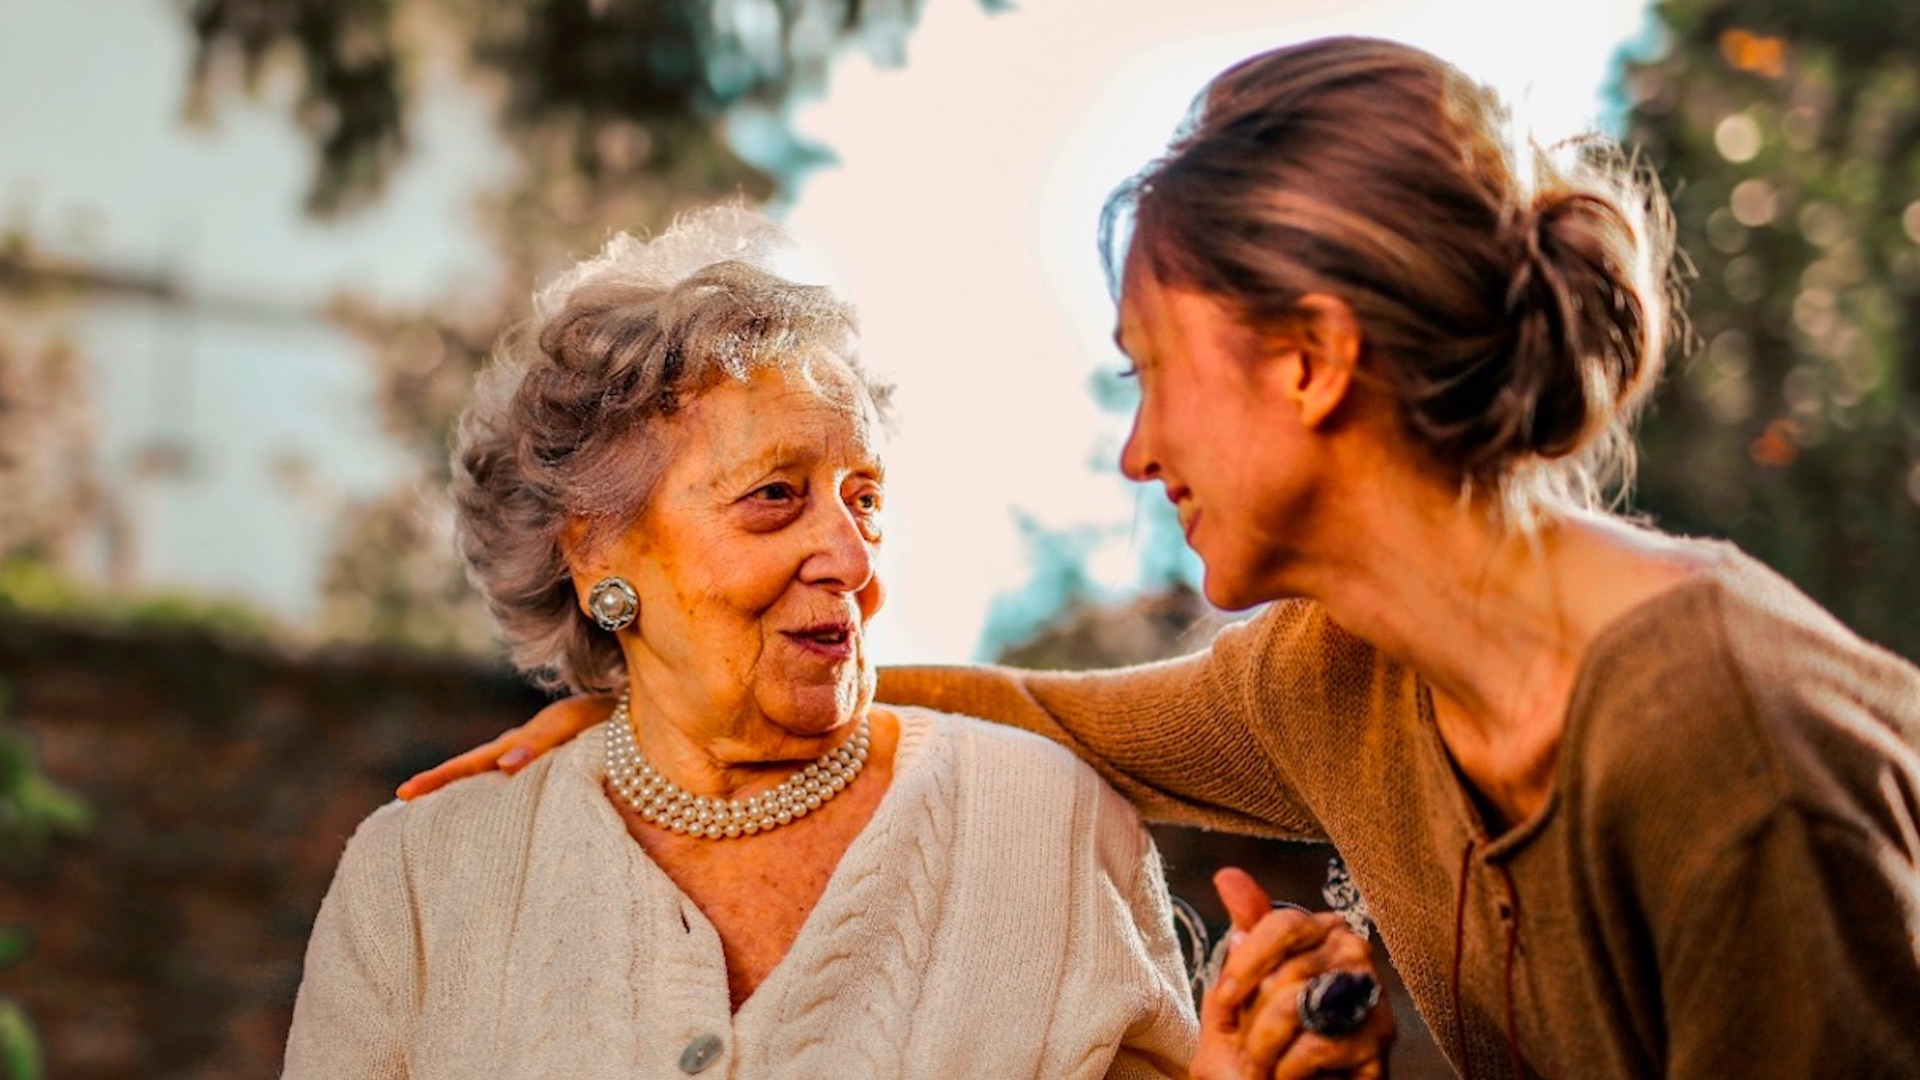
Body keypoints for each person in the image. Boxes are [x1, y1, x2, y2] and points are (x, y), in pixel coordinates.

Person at [399, 36, 1920, 1080]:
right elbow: (1041, 718)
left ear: (1312, 361)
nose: (1137, 451)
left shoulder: (1721, 744)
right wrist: (662, 699)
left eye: (1150, 369)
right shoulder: (1340, 680)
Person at [281, 207, 1227, 1079]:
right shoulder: (420, 877)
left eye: (866, 500)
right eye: (775, 496)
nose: (851, 556)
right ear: (597, 549)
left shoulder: (1047, 826)